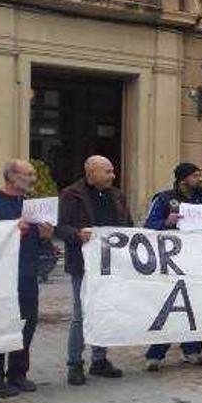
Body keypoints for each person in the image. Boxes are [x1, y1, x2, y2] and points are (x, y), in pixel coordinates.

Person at [56, 155, 129, 385]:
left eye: (112, 171)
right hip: (82, 263)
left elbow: (128, 224)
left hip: (109, 263)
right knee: (81, 314)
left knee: (104, 310)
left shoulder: (117, 195)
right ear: (91, 173)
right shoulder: (71, 194)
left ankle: (100, 359)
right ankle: (75, 363)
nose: (112, 175)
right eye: (107, 171)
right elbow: (60, 227)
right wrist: (77, 235)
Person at [0, 160, 51, 403]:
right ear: (12, 177)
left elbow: (44, 246)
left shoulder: (31, 207)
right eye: (29, 174)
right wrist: (14, 231)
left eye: (34, 173)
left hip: (27, 274)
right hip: (0, 278)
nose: (33, 178)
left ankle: (18, 373)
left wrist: (45, 237)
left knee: (27, 323)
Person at [144, 163, 202, 371]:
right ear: (183, 179)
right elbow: (148, 226)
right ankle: (155, 354)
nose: (200, 179)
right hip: (172, 262)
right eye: (196, 176)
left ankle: (192, 350)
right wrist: (166, 222)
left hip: (198, 261)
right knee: (170, 308)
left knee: (196, 306)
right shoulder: (164, 199)